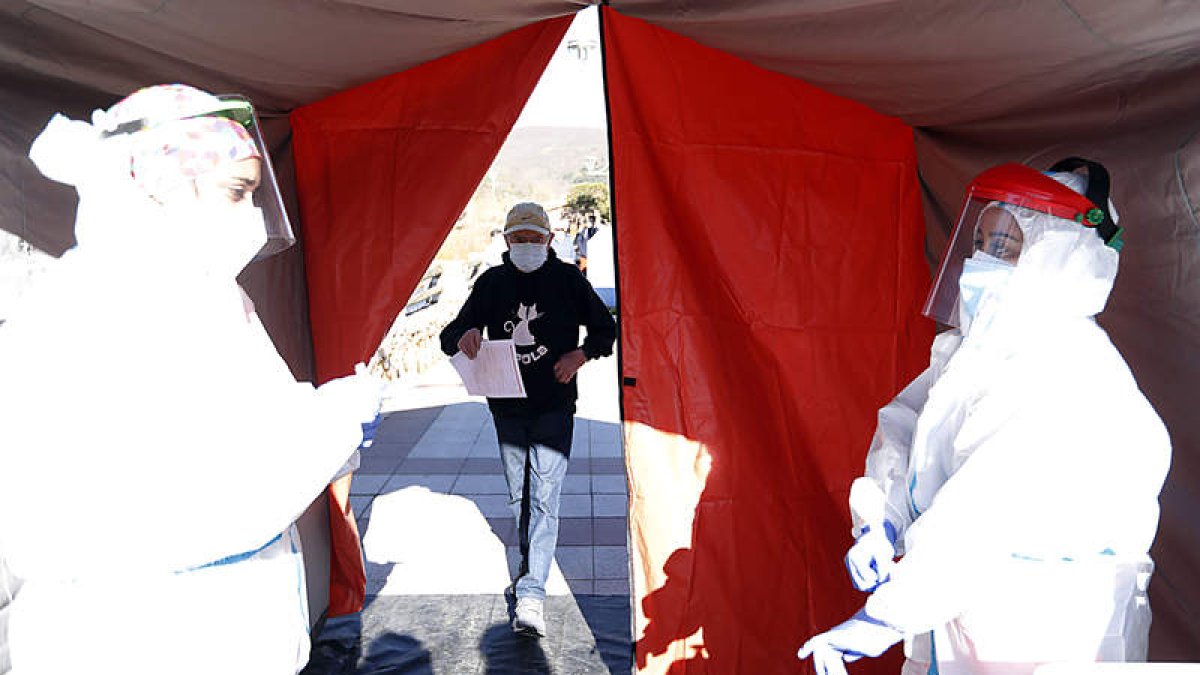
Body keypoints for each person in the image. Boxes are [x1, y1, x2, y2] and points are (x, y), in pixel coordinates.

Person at [0, 84, 383, 675]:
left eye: (255, 195)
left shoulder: (206, 294)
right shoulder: (99, 302)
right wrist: (332, 425)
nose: (251, 217)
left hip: (228, 634)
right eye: (236, 192)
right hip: (139, 639)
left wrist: (322, 418)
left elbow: (250, 423)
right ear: (160, 183)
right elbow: (182, 502)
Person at [798, 160, 1171, 675]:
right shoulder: (974, 357)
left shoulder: (1067, 371)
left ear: (1058, 258)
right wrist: (881, 519)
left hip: (1049, 638)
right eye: (981, 243)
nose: (981, 262)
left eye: (1005, 247)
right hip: (965, 623)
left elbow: (982, 516)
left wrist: (883, 618)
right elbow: (908, 426)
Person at [439, 201, 616, 637]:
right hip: (507, 407)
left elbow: (606, 329)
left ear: (550, 241)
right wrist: (466, 338)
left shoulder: (568, 279)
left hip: (555, 405)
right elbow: (449, 335)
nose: (527, 246)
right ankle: (527, 569)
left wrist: (580, 355)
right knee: (520, 496)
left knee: (544, 496)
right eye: (519, 239)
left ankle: (532, 592)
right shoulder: (493, 283)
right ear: (506, 241)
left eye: (535, 239)